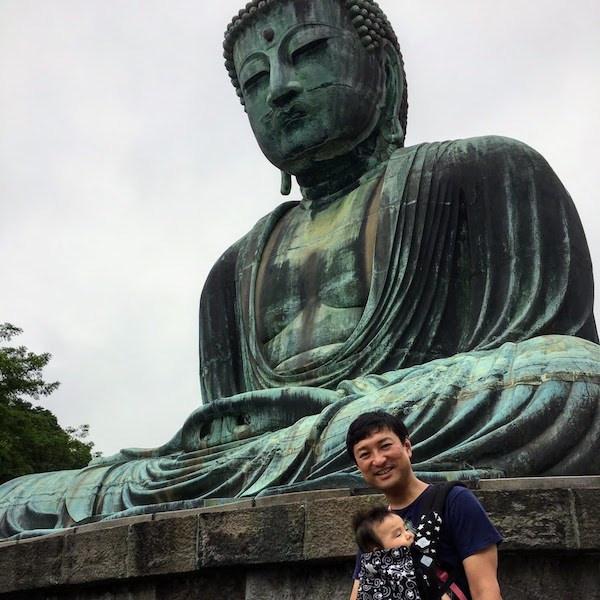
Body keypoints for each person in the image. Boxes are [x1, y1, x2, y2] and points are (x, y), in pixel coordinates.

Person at [1, 0, 599, 540]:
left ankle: (332, 452)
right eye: (255, 80)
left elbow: (544, 347)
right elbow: (227, 426)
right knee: (20, 499)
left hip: (409, 418)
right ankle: (311, 460)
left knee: (573, 380)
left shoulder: (486, 170)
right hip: (273, 451)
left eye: (308, 53)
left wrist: (351, 409)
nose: (280, 91)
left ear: (383, 70)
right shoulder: (231, 272)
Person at [346, 411, 503, 600]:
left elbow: (485, 591)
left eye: (385, 446)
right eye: (365, 454)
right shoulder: (375, 528)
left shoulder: (456, 501)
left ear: (407, 446)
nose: (378, 460)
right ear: (358, 468)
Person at [353, 506, 453, 600]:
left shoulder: (366, 575)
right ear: (378, 551)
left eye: (406, 529)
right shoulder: (407, 571)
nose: (408, 535)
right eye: (398, 534)